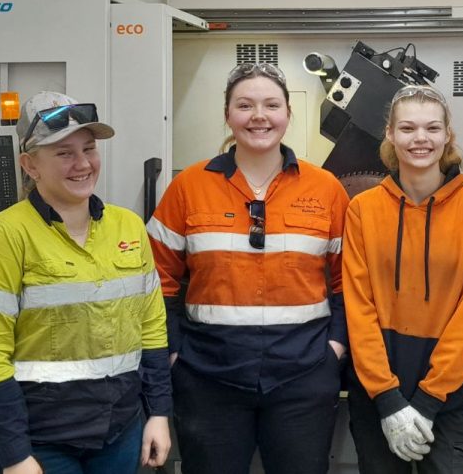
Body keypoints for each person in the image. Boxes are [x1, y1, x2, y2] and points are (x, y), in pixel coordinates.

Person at [146, 63, 350, 474]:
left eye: (271, 104)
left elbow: (349, 282)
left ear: (288, 114)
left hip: (304, 376)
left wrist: (334, 350)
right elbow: (155, 282)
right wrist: (173, 354)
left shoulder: (325, 189)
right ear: (227, 114)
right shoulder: (188, 186)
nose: (259, 116)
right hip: (207, 378)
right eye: (245, 105)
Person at [0, 91, 172, 474]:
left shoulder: (127, 227)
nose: (82, 164)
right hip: (38, 442)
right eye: (63, 153)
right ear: (30, 165)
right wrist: (14, 456)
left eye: (88, 149)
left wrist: (158, 413)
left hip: (118, 431)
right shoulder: (3, 237)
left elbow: (152, 327)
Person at [343, 85, 463, 473]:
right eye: (408, 128)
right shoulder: (362, 210)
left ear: (447, 136)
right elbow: (359, 308)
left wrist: (429, 400)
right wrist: (387, 398)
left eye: (432, 128)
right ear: (391, 135)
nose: (420, 139)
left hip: (445, 394)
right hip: (377, 391)